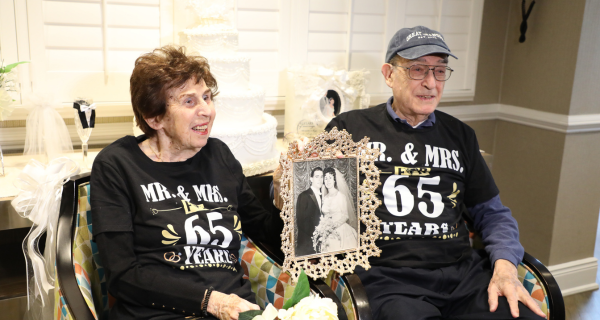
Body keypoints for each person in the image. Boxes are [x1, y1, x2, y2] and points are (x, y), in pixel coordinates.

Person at [275, 25, 547, 320]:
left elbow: (493, 213)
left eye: (439, 71)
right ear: (389, 74)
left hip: (464, 278)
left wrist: (506, 267)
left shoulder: (461, 136)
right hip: (388, 281)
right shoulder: (350, 129)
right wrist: (282, 179)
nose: (431, 83)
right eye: (418, 70)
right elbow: (299, 203)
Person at [90, 46, 282, 320]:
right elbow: (123, 275)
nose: (207, 111)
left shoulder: (220, 156)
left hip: (237, 312)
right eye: (189, 102)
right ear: (154, 117)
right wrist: (211, 301)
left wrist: (283, 200)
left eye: (207, 97)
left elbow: (265, 233)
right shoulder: (118, 166)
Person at [313, 167, 358, 253]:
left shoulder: (340, 196)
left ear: (334, 180)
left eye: (330, 178)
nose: (328, 181)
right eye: (325, 178)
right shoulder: (324, 198)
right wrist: (324, 227)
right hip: (327, 233)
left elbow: (345, 216)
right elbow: (325, 216)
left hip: (341, 230)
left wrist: (333, 226)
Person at [295, 166, 324, 256]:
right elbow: (301, 222)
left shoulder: (324, 196)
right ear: (311, 179)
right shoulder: (304, 196)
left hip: (321, 243)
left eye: (321, 176)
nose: (320, 179)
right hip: (307, 244)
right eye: (317, 176)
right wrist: (317, 235)